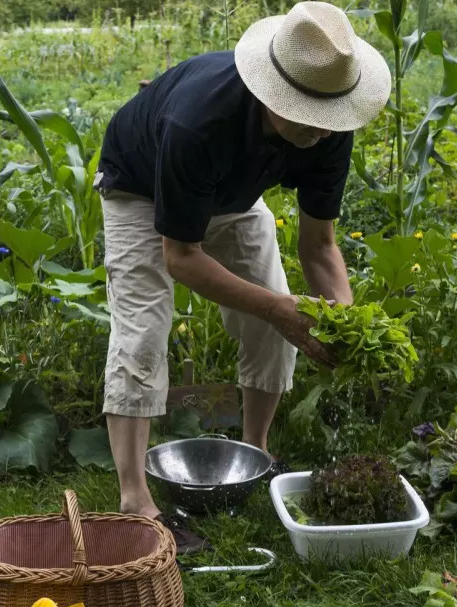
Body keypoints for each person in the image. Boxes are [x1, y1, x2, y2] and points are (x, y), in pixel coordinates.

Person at [95, 2, 391, 553]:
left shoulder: (328, 126)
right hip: (140, 189)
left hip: (232, 198)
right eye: (300, 114)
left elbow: (320, 245)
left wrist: (344, 320)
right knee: (143, 330)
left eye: (324, 119)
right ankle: (135, 497)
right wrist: (279, 308)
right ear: (267, 91)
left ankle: (256, 452)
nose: (314, 130)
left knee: (280, 322)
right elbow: (181, 256)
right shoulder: (199, 119)